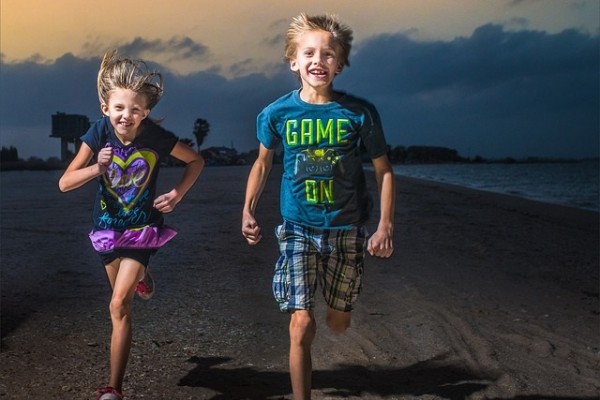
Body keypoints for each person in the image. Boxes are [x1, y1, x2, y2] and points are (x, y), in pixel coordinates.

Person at [241, 13, 395, 399]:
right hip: (298, 227)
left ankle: (338, 309)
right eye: (309, 52)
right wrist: (248, 210)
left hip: (346, 228)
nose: (318, 60)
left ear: (339, 64)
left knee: (339, 321)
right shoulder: (276, 114)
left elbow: (384, 170)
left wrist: (384, 225)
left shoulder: (360, 113)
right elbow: (263, 163)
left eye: (328, 54)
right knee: (300, 322)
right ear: (293, 61)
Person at [59, 50, 205, 400]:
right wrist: (98, 166)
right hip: (107, 231)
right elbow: (65, 183)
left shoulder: (155, 137)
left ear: (146, 112)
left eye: (136, 109)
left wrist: (177, 193)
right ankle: (143, 276)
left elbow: (196, 160)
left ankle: (114, 389)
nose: (127, 116)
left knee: (118, 304)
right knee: (121, 299)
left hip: (141, 231)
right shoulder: (98, 134)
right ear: (106, 108)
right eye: (120, 108)